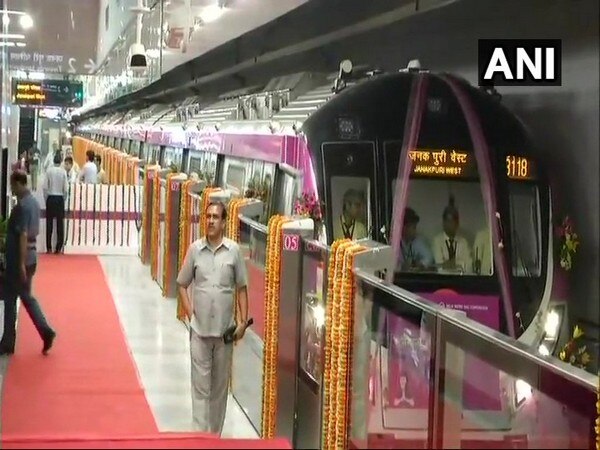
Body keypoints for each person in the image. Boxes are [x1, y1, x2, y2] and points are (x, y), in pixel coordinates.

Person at [176, 201, 249, 435]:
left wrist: (242, 322)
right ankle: (199, 438)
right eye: (207, 216)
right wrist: (190, 313)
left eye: (215, 217)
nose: (210, 220)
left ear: (224, 222)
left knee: (219, 390)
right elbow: (182, 283)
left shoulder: (234, 252)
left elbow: (241, 288)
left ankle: (214, 437)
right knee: (200, 389)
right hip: (199, 332)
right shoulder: (195, 250)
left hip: (224, 335)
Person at [0, 171, 56, 356]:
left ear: (19, 183)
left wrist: (20, 263)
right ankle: (44, 330)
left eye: (13, 185)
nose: (12, 189)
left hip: (20, 260)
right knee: (26, 297)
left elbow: (22, 234)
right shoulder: (33, 203)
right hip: (31, 257)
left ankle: (9, 341)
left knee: (11, 299)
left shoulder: (21, 207)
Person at [432, 196, 472, 273]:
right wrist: (460, 264)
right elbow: (440, 268)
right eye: (447, 221)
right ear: (443, 223)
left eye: (452, 221)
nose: (449, 224)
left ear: (457, 224)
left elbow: (469, 267)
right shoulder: (437, 241)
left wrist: (453, 263)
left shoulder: (463, 242)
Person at [43, 153, 68, 254]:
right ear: (61, 161)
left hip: (51, 197)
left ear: (53, 161)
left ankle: (48, 247)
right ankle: (58, 247)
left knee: (49, 223)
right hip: (60, 198)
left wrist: (46, 199)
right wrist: (64, 199)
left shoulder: (49, 171)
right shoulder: (63, 172)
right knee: (59, 224)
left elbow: (45, 187)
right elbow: (66, 189)